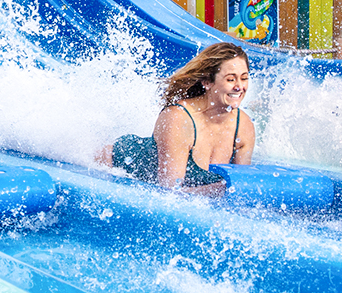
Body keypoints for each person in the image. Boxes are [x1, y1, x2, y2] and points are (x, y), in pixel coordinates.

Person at [104, 42, 254, 192]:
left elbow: (241, 188)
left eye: (244, 78)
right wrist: (223, 189)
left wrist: (233, 188)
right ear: (207, 82)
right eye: (230, 79)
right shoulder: (178, 118)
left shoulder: (244, 127)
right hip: (114, 164)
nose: (239, 87)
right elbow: (170, 193)